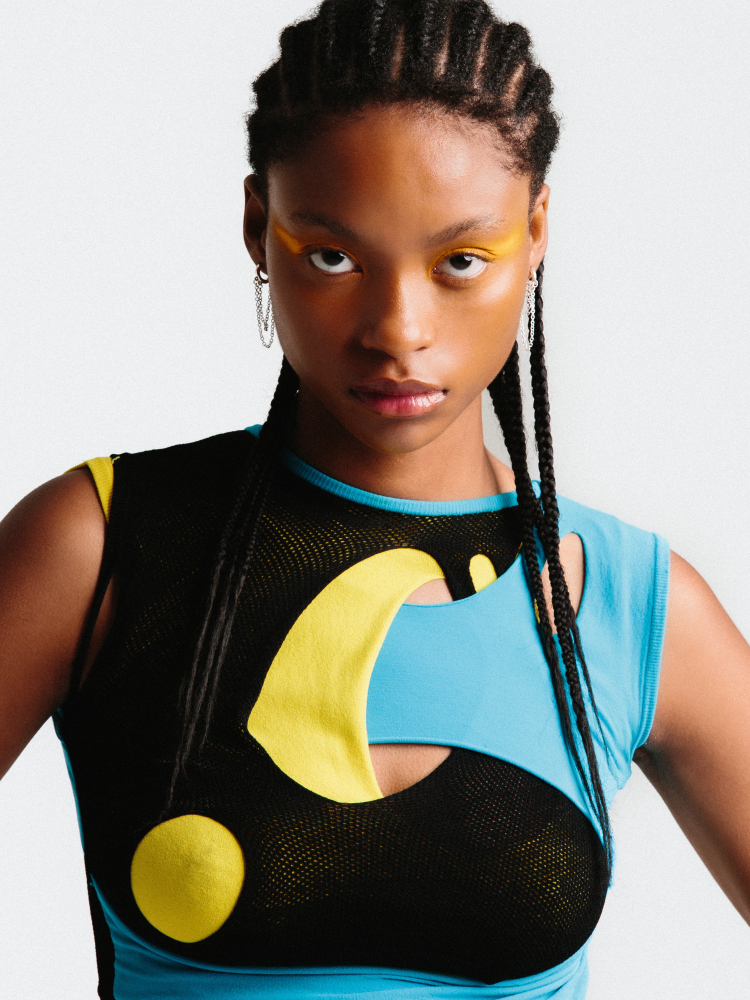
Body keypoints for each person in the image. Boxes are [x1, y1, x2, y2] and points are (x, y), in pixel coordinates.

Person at [1, 1, 749, 998]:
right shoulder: (100, 548)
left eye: (460, 262)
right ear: (258, 226)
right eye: (334, 257)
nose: (398, 328)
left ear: (535, 233)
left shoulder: (627, 604)